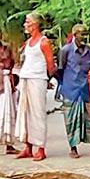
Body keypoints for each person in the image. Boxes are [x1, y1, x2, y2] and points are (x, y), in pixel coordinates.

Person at [15, 13, 56, 161]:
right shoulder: (28, 42)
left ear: (36, 24)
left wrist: (48, 79)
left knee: (37, 114)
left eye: (28, 22)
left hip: (38, 79)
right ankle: (28, 146)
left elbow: (50, 64)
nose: (25, 24)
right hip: (25, 78)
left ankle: (40, 148)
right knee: (25, 113)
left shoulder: (43, 42)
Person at [57, 23, 90, 157]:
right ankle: (73, 148)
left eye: (86, 34)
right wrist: (64, 86)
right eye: (82, 34)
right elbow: (60, 70)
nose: (84, 37)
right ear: (75, 35)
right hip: (70, 90)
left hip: (84, 89)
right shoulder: (65, 50)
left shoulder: (89, 51)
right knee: (70, 120)